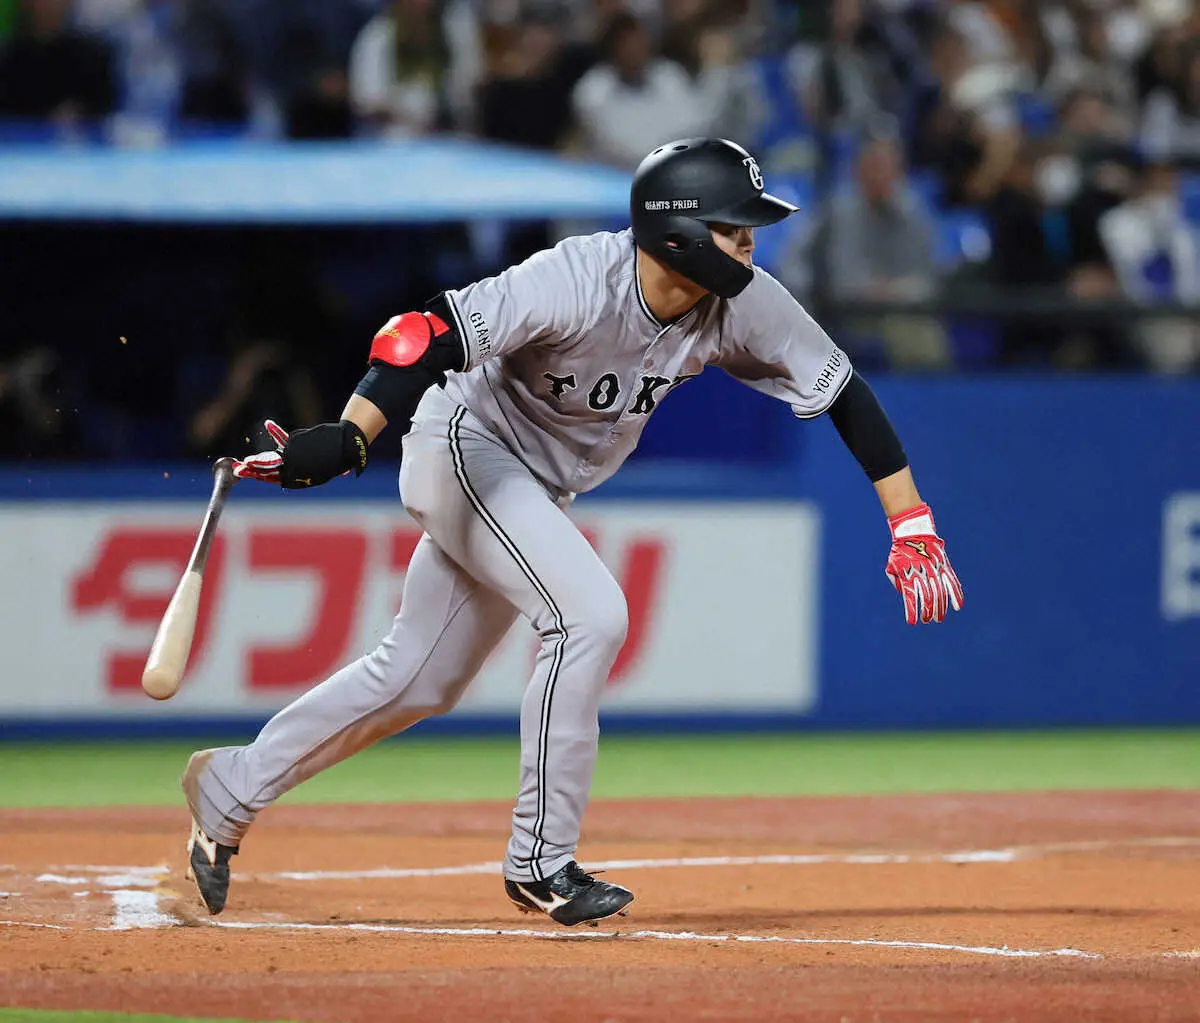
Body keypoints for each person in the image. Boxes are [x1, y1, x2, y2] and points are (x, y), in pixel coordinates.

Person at [181, 138, 965, 927]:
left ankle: (230, 787)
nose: (749, 241)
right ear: (678, 231)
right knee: (590, 614)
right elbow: (422, 337)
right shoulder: (576, 279)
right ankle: (539, 860)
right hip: (466, 448)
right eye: (734, 226)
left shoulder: (742, 301)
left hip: (536, 488)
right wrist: (351, 434)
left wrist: (911, 520)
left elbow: (845, 391)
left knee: (419, 676)